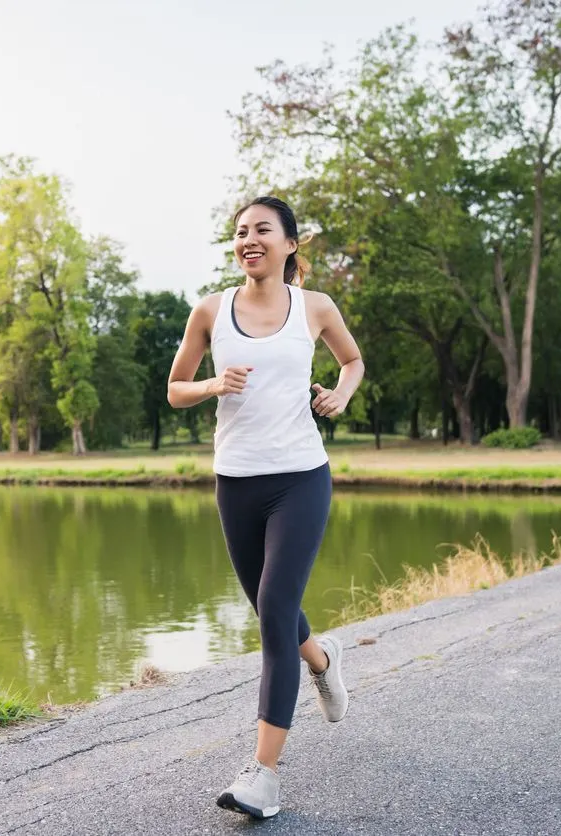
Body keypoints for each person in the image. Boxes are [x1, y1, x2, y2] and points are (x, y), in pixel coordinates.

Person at [167, 196, 364, 819]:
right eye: (240, 232)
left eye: (262, 231)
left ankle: (264, 775)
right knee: (269, 608)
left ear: (290, 244)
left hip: (301, 478)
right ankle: (323, 661)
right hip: (237, 482)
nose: (249, 240)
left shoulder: (316, 307)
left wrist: (339, 393)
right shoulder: (210, 310)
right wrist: (212, 385)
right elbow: (175, 389)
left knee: (275, 610)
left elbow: (353, 361)